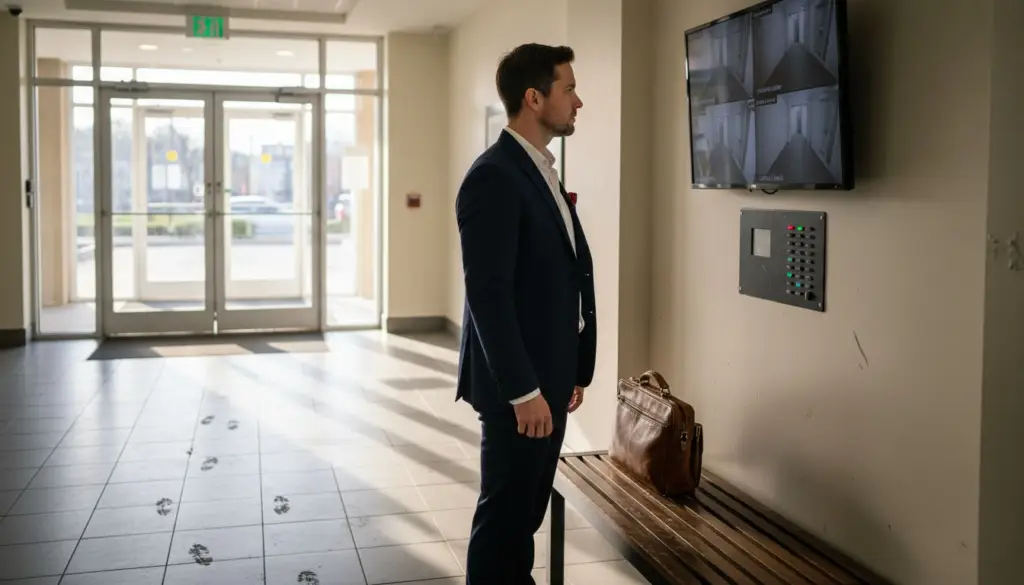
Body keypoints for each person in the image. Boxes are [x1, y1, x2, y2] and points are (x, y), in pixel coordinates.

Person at [454, 43, 596, 585]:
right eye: (569, 89)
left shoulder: (539, 170)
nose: (579, 101)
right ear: (534, 98)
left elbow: (563, 277)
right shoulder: (494, 176)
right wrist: (524, 392)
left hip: (548, 380)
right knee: (505, 522)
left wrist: (571, 371)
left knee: (523, 518)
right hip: (521, 392)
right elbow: (488, 297)